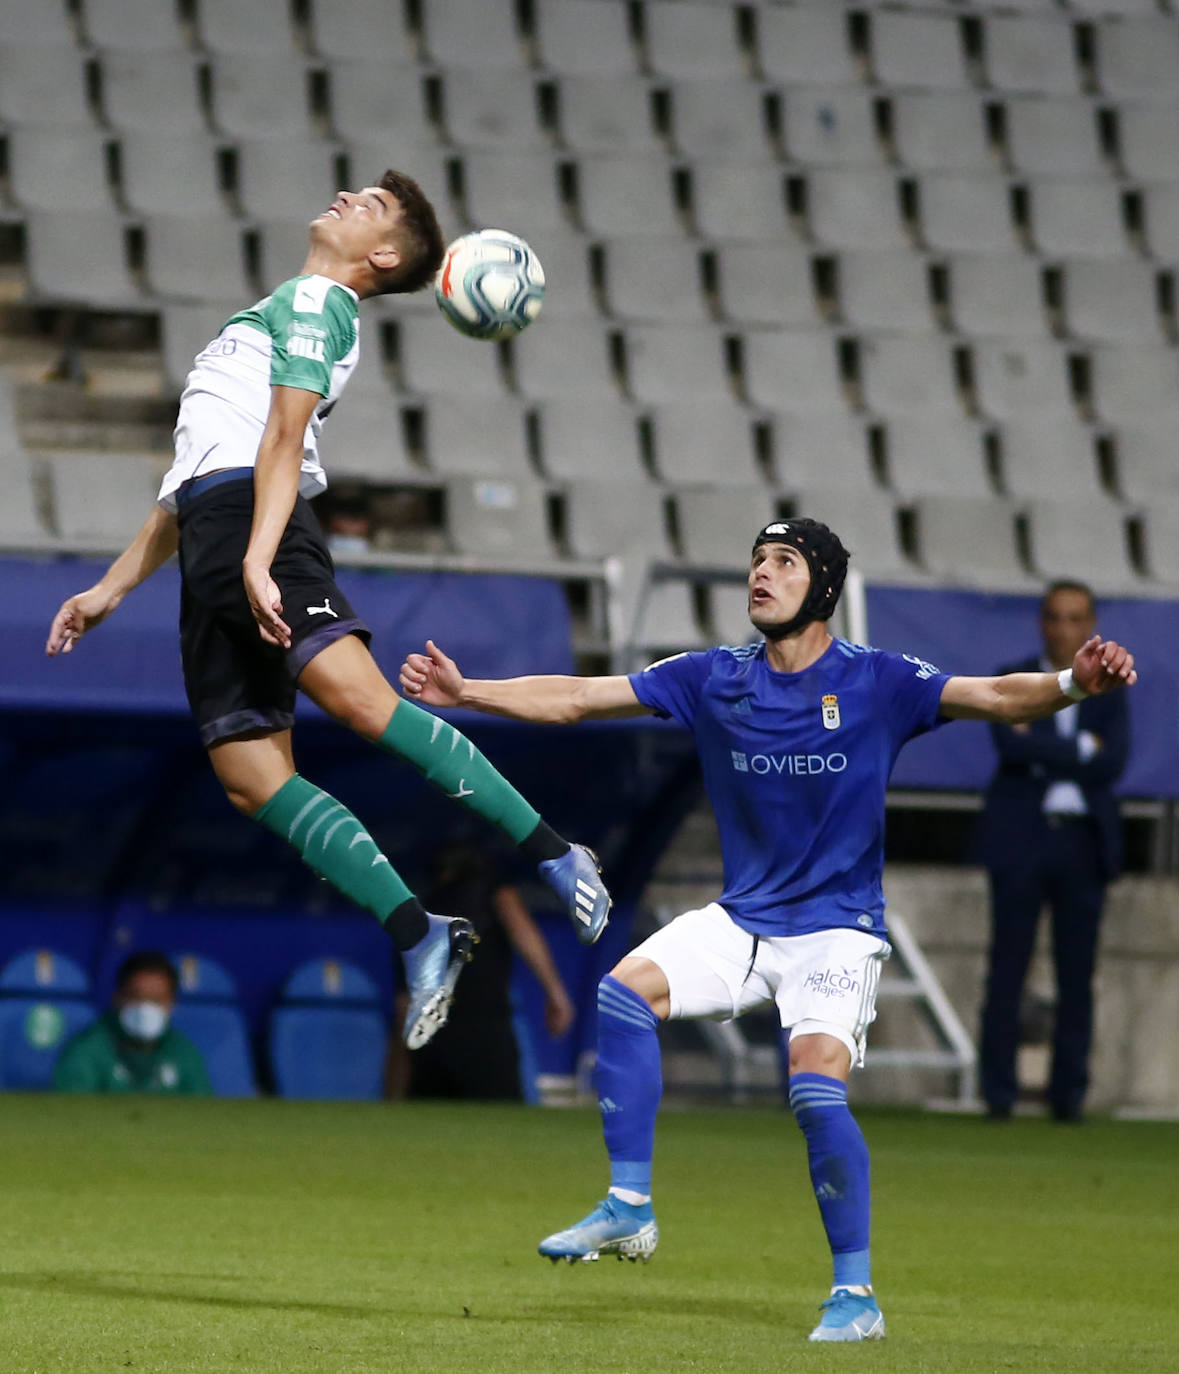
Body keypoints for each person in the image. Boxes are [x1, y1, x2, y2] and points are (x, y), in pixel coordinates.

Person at [400, 517, 1137, 1342]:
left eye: (783, 562)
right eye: (754, 559)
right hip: (743, 918)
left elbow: (997, 697)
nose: (760, 574)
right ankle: (629, 1205)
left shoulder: (877, 680)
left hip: (836, 931)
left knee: (813, 1091)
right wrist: (468, 695)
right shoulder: (714, 676)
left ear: (820, 587)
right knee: (621, 995)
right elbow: (579, 697)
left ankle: (854, 1296)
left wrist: (1072, 685)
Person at [45, 170, 610, 1052]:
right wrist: (113, 587)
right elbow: (190, 476)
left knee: (362, 702)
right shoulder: (283, 305)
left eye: (372, 206)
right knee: (250, 780)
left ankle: (554, 851)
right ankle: (421, 933)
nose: (348, 195)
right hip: (216, 531)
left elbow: (281, 433)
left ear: (381, 257)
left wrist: (259, 558)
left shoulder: (319, 299)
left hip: (251, 530)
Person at [976, 580, 1130, 1123]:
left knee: (1077, 974)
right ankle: (997, 1095)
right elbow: (1007, 744)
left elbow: (1114, 763)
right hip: (1021, 838)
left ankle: (1068, 1098)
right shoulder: (1011, 675)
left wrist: (1042, 747)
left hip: (1082, 843)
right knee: (1007, 970)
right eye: (1055, 617)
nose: (1065, 628)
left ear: (1090, 624)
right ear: (1041, 622)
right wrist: (1080, 749)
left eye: (1075, 618)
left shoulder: (1111, 685)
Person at [387, 841, 576, 1101]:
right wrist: (556, 994)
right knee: (503, 1129)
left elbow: (403, 1009)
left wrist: (394, 1092)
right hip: (486, 1039)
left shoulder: (418, 915)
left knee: (432, 1132)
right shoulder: (492, 892)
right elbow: (521, 928)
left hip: (431, 1045)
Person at [53, 951, 211, 1095]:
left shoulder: (184, 1052)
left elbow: (204, 1111)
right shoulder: (88, 1049)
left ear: (172, 1004)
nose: (146, 1007)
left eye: (157, 1000)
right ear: (117, 998)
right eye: (137, 997)